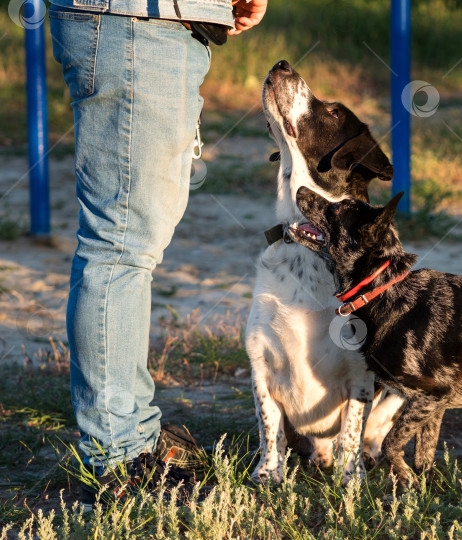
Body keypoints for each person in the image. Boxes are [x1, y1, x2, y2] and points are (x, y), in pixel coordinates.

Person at [48, 0, 267, 509]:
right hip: (134, 25)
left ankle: (130, 431)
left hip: (147, 25)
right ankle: (115, 456)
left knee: (128, 242)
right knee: (121, 247)